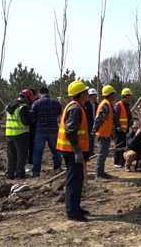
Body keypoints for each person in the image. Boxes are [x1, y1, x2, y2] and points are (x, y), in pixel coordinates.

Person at [56, 80, 90, 222]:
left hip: (72, 150)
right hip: (72, 151)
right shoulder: (75, 109)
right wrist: (78, 152)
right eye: (86, 91)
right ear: (80, 94)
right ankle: (72, 211)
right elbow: (71, 132)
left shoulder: (77, 107)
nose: (88, 94)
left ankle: (75, 206)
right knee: (74, 181)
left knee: (78, 180)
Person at [30, 87, 62, 177]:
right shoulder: (56, 102)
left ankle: (36, 172)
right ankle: (57, 170)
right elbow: (60, 115)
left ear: (40, 94)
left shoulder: (36, 103)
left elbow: (32, 117)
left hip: (40, 130)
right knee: (56, 151)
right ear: (48, 93)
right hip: (53, 131)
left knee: (38, 152)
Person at [5, 89, 34, 179]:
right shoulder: (22, 108)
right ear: (25, 97)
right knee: (21, 155)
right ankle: (19, 174)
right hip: (21, 134)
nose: (28, 102)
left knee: (11, 155)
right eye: (28, 99)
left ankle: (10, 174)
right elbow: (25, 122)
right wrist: (32, 119)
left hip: (9, 134)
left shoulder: (9, 106)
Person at [92, 85, 117, 180]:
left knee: (104, 154)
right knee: (101, 154)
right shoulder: (105, 105)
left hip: (106, 133)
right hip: (103, 134)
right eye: (113, 94)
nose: (115, 96)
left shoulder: (107, 104)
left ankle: (101, 172)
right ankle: (98, 174)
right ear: (110, 95)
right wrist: (94, 131)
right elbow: (99, 119)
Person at [113, 88, 133, 168]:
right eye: (130, 96)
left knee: (124, 146)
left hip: (126, 130)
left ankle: (122, 161)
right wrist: (118, 126)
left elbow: (129, 117)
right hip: (119, 130)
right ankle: (117, 161)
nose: (131, 97)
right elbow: (115, 117)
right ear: (126, 96)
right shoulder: (118, 105)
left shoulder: (127, 105)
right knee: (118, 146)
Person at [25, 88, 38, 173]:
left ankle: (31, 163)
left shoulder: (36, 104)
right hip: (23, 130)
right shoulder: (24, 104)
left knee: (32, 147)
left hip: (33, 129)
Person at [83, 88, 98, 155]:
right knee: (88, 137)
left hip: (94, 123)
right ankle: (87, 151)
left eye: (95, 95)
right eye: (93, 95)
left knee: (92, 137)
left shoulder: (96, 104)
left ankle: (90, 151)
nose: (94, 96)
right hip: (88, 123)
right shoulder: (86, 104)